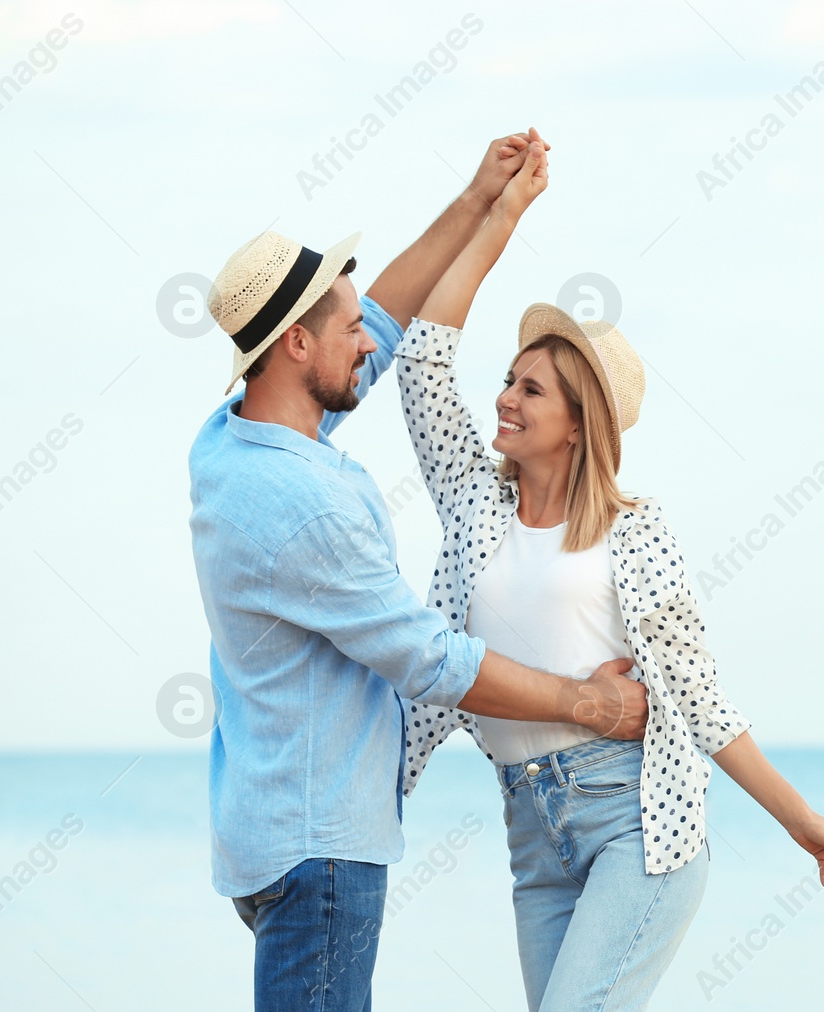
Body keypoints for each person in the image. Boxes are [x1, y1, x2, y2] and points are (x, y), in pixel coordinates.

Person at [394, 131, 824, 1011]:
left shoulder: (635, 533)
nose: (505, 396)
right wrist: (499, 216)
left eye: (532, 389)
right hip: (530, 832)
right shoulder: (472, 502)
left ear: (579, 424)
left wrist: (801, 821)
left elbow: (698, 698)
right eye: (508, 378)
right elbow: (422, 365)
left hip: (637, 829)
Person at [187, 132, 648, 1012]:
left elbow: (395, 328)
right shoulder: (312, 502)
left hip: (275, 824)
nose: (370, 341)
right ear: (293, 346)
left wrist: (484, 200)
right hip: (321, 845)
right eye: (348, 328)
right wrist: (590, 702)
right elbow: (430, 660)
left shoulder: (236, 439)